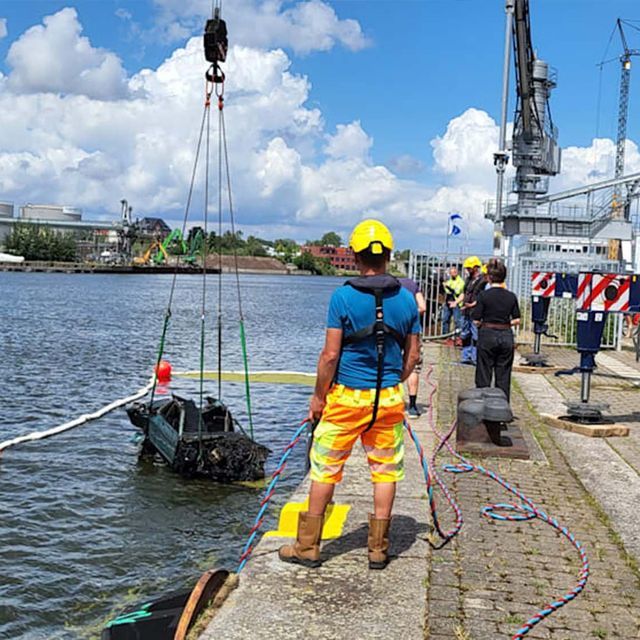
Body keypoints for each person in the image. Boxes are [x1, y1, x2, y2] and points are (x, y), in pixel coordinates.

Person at [279, 219, 421, 570]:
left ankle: (308, 547)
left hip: (346, 399)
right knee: (385, 471)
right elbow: (413, 356)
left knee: (324, 469)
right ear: (388, 255)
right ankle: (378, 549)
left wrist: (318, 397)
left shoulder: (342, 296)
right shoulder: (406, 300)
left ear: (356, 256)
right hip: (387, 399)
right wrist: (393, 380)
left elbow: (330, 355)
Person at [471, 258, 520, 401]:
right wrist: (506, 324)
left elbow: (476, 319)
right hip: (506, 335)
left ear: (489, 278)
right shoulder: (511, 296)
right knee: (504, 374)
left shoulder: (483, 296)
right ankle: (501, 406)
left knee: (484, 372)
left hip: (487, 334)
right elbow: (517, 319)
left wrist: (481, 324)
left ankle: (482, 403)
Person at [398, 276, 426, 417]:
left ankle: (392, 401)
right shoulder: (412, 285)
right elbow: (423, 307)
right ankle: (413, 406)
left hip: (394, 330)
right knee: (414, 365)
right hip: (413, 331)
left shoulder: (390, 286)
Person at [460, 256, 485, 365]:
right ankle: (466, 357)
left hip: (475, 312)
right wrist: (457, 303)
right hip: (466, 312)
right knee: (465, 334)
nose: (468, 270)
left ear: (476, 267)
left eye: (469, 268)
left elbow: (482, 297)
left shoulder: (482, 281)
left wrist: (471, 305)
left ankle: (474, 358)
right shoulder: (468, 279)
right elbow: (464, 293)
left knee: (475, 336)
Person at [441, 266, 464, 336]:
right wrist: (446, 287)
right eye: (451, 273)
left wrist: (447, 286)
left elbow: (456, 291)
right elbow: (446, 291)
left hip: (456, 303)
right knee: (445, 319)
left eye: (453, 273)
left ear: (457, 272)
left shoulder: (460, 281)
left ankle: (458, 337)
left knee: (457, 320)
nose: (452, 274)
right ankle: (444, 336)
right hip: (448, 302)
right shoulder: (450, 280)